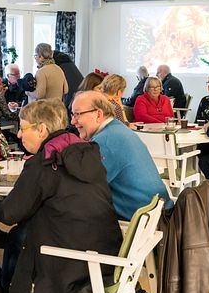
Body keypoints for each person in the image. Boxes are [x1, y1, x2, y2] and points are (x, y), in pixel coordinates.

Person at [0, 99, 122, 293]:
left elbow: (8, 213)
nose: (18, 135)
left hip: (69, 264)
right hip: (103, 253)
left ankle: (5, 287)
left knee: (22, 233)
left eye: (23, 128)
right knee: (23, 231)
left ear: (41, 130)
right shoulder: (86, 152)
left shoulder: (45, 162)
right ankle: (4, 282)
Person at [71, 90, 172, 220]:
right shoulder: (118, 129)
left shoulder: (106, 141)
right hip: (157, 213)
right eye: (72, 115)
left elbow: (82, 188)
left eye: (77, 114)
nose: (73, 121)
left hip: (144, 222)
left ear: (98, 114)